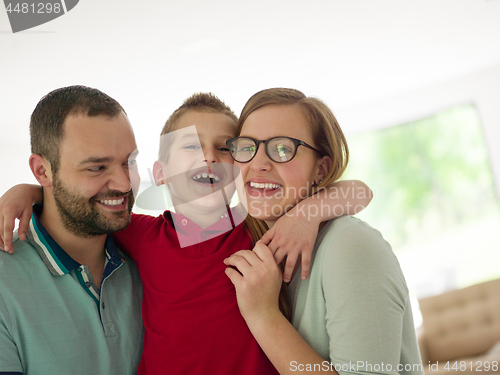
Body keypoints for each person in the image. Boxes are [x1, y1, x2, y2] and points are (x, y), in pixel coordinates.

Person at [0, 92, 372, 374]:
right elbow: (84, 208)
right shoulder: (141, 235)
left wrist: (306, 214)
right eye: (191, 145)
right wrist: (31, 192)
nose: (208, 157)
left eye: (225, 148)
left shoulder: (261, 229)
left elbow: (359, 192)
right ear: (160, 172)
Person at [223, 88, 424, 375]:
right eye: (246, 147)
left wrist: (263, 316)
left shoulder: (350, 246)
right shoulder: (243, 240)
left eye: (282, 149)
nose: (258, 163)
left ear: (321, 168)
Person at [0, 86, 144, 375]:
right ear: (42, 171)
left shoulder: (149, 258)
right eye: (97, 167)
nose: (124, 184)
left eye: (129, 162)